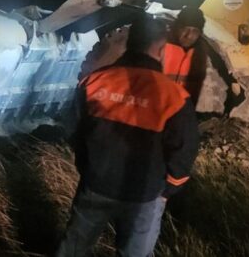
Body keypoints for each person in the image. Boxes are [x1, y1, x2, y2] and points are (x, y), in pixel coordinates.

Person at [56, 15, 200, 257]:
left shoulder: (94, 82)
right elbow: (184, 149)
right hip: (145, 195)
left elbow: (73, 130)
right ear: (161, 48)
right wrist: (167, 190)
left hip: (95, 185)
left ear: (129, 43)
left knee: (73, 249)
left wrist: (87, 167)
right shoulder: (174, 97)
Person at [163, 7, 244, 116]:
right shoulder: (160, 46)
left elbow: (223, 75)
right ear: (178, 27)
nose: (189, 36)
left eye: (195, 31)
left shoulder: (202, 52)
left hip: (182, 113)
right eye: (185, 29)